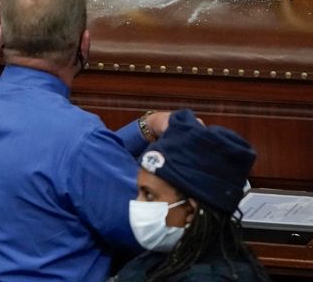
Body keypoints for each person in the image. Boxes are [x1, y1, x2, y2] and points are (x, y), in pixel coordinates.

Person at [0, 0, 171, 281]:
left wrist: (145, 127)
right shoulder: (78, 139)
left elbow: (55, 165)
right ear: (84, 44)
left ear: (1, 36)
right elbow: (152, 228)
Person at [111, 109, 270, 281]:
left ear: (190, 211)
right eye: (139, 191)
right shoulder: (160, 259)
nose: (137, 204)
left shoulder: (210, 277)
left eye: (149, 196)